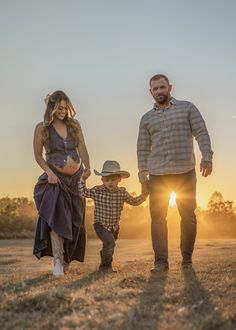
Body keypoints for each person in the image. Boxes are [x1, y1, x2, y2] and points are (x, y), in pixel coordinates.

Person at [137, 74, 213, 272]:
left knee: (187, 216)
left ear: (169, 87)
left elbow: (201, 132)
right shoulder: (146, 119)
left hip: (185, 171)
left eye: (162, 87)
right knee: (157, 218)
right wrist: (142, 175)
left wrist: (207, 157)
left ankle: (186, 260)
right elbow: (143, 149)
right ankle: (161, 262)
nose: (159, 91)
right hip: (158, 174)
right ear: (150, 92)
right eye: (155, 89)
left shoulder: (187, 108)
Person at [33, 90, 91, 276]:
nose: (63, 111)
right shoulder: (41, 128)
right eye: (59, 108)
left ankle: (66, 260)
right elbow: (37, 155)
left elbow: (82, 148)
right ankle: (57, 260)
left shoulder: (75, 125)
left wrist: (87, 168)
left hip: (76, 179)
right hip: (55, 179)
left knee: (76, 222)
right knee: (57, 219)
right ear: (51, 107)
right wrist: (49, 172)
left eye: (66, 108)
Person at [79, 160, 147, 272]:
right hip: (100, 224)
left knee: (110, 245)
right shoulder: (97, 190)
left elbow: (134, 201)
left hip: (114, 227)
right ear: (102, 180)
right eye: (107, 180)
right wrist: (83, 179)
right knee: (110, 243)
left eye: (113, 179)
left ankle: (104, 255)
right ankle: (105, 268)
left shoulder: (122, 193)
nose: (110, 182)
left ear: (119, 179)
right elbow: (83, 193)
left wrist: (144, 195)